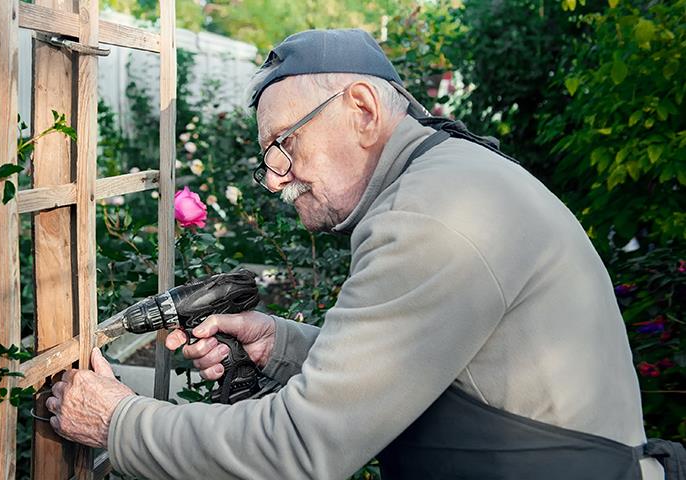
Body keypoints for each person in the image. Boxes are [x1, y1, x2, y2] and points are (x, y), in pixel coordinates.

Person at [46, 29, 684, 479]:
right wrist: (284, 344)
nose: (272, 177)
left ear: (361, 109)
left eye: (283, 143)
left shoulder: (431, 216)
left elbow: (301, 451)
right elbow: (433, 367)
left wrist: (119, 422)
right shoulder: (451, 179)